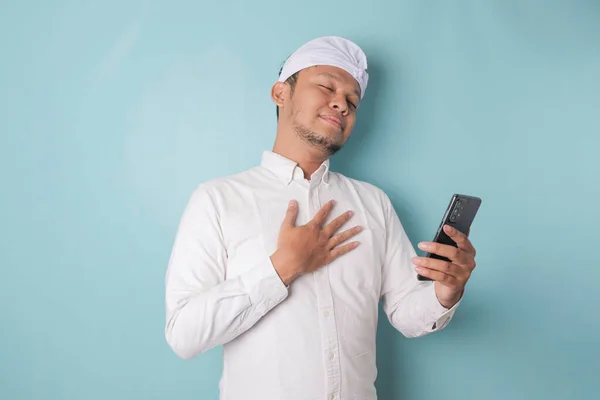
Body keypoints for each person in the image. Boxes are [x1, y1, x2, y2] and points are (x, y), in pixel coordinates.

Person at [164, 36, 478, 400]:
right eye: (327, 86)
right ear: (281, 93)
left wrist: (446, 290)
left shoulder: (373, 203)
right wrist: (283, 267)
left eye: (352, 101)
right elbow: (184, 336)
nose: (341, 105)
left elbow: (407, 313)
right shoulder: (218, 200)